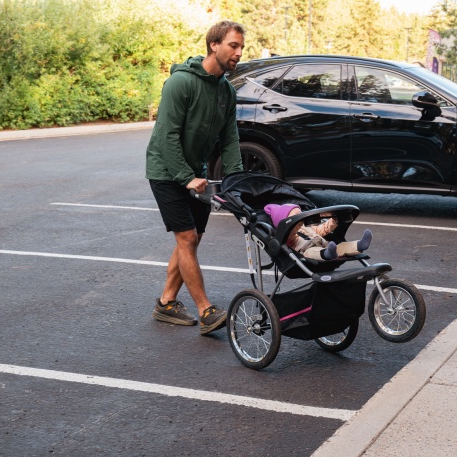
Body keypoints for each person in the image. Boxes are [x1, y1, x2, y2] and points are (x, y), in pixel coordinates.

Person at [145, 21, 245, 335]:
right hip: (165, 170)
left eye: (241, 47)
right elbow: (166, 137)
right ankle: (206, 310)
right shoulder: (181, 84)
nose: (239, 53)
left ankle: (166, 303)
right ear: (214, 45)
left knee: (193, 239)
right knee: (186, 238)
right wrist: (185, 177)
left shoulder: (227, 91)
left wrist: (237, 179)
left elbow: (229, 139)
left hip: (195, 174)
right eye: (233, 45)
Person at [263, 204, 373, 261]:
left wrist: (334, 221)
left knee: (341, 246)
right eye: (296, 217)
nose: (300, 220)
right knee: (312, 252)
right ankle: (327, 254)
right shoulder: (287, 235)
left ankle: (359, 245)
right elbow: (291, 234)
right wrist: (296, 224)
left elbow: (320, 230)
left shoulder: (305, 227)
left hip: (323, 243)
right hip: (306, 251)